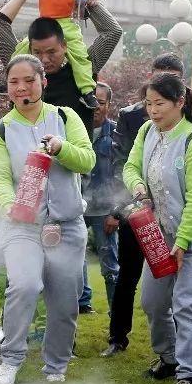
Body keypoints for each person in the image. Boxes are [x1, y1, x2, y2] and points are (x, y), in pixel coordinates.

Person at [0, 56, 96, 384]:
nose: (21, 88)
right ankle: (10, 358)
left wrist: (61, 148)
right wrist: (11, 205)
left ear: (43, 82)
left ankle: (56, 364)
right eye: (13, 82)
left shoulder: (65, 117)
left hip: (66, 225)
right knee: (25, 285)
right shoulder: (0, 130)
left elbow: (87, 160)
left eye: (28, 81)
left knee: (64, 299)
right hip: (22, 227)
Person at [123, 73, 192, 384]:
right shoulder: (146, 131)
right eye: (148, 104)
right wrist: (139, 188)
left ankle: (188, 371)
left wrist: (182, 243)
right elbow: (130, 167)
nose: (153, 111)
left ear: (180, 103)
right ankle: (167, 357)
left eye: (160, 104)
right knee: (153, 301)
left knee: (186, 303)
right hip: (161, 230)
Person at [101, 53, 183, 357]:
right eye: (160, 75)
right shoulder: (134, 116)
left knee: (170, 277)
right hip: (138, 208)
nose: (164, 83)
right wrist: (124, 205)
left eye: (172, 77)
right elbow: (122, 161)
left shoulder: (189, 121)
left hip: (173, 212)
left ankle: (174, 345)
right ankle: (117, 337)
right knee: (128, 274)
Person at [0, 0, 124, 133]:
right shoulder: (20, 64)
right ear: (30, 49)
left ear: (65, 46)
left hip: (75, 155)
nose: (45, 59)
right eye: (37, 52)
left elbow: (112, 32)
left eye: (52, 52)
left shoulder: (84, 66)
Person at [17, 0, 103, 106]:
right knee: (22, 48)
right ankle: (11, 79)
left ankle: (87, 91)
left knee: (79, 55)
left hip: (68, 22)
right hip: (45, 23)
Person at [81, 82, 122, 313]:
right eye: (91, 102)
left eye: (101, 103)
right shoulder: (75, 130)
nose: (95, 107)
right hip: (76, 205)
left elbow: (121, 176)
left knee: (110, 265)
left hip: (105, 209)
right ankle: (82, 303)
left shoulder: (117, 134)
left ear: (109, 105)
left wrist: (116, 212)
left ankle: (114, 312)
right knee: (76, 260)